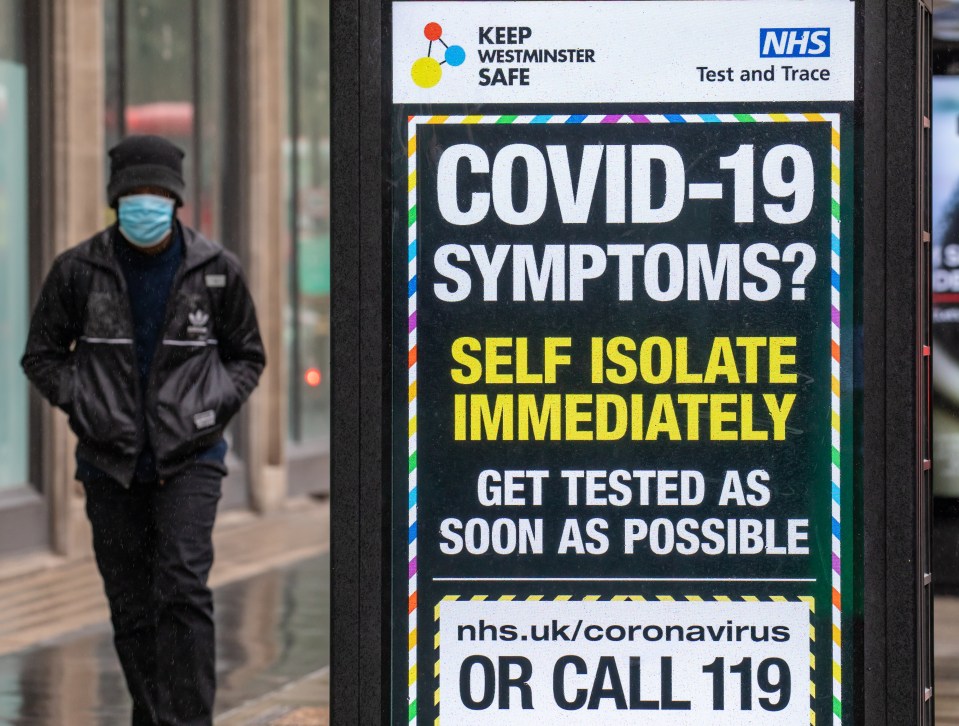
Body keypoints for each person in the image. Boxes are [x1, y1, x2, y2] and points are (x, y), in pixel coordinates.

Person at [21, 135, 266, 726]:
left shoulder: (215, 270)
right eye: (134, 193)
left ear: (177, 200)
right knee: (131, 606)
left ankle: (188, 721)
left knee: (181, 588)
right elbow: (43, 355)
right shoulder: (79, 271)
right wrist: (86, 407)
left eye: (157, 194)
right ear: (115, 199)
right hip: (111, 463)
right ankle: (152, 716)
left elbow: (246, 356)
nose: (145, 204)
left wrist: (209, 410)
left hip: (192, 459)